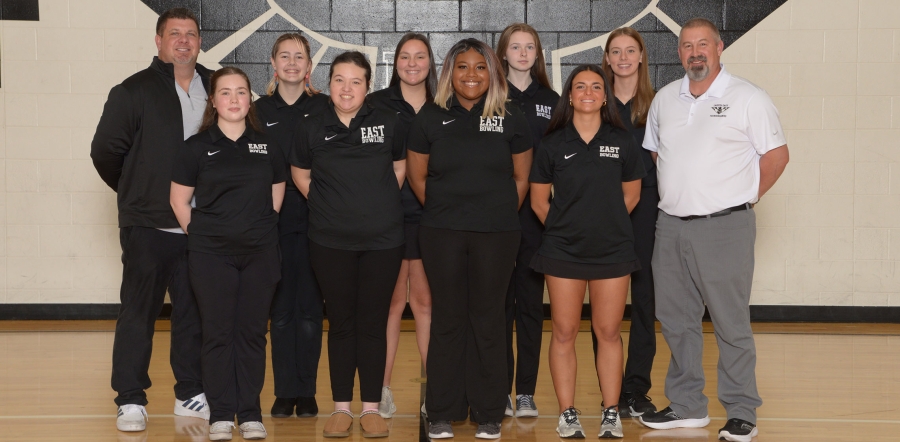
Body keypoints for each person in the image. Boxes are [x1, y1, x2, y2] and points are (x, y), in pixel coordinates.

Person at [638, 18, 789, 442]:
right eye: (687, 46)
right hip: (670, 229)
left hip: (725, 227)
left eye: (703, 44)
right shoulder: (665, 100)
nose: (695, 52)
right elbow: (656, 157)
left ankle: (742, 410)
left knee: (729, 322)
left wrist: (742, 196)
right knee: (676, 320)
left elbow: (777, 156)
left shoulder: (748, 98)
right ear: (680, 52)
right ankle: (687, 406)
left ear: (720, 48)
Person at [406, 38, 533, 440]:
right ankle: (443, 410)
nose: (472, 75)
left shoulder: (511, 116)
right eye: (463, 67)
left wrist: (490, 215)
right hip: (442, 232)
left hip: (497, 234)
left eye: (481, 67)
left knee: (489, 318)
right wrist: (450, 213)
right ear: (449, 72)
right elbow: (417, 177)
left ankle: (489, 410)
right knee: (448, 317)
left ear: (493, 72)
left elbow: (521, 178)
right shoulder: (429, 117)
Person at [90, 7, 209, 432]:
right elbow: (105, 152)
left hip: (200, 227)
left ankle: (190, 392)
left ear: (199, 42)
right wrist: (136, 190)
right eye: (174, 33)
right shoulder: (132, 90)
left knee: (193, 313)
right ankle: (130, 398)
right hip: (148, 225)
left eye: (191, 34)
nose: (183, 41)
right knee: (138, 312)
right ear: (158, 42)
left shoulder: (214, 87)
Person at [290, 51, 406, 439]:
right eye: (340, 79)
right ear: (328, 82)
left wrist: (374, 207)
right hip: (329, 241)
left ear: (368, 86)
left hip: (383, 241)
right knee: (340, 324)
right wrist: (329, 206)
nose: (347, 88)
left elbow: (399, 169)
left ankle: (370, 407)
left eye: (356, 81)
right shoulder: (310, 124)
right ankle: (341, 408)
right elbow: (301, 174)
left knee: (372, 324)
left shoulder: (389, 121)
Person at [530, 64, 645, 439]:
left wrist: (602, 223)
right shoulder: (552, 143)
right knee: (563, 331)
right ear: (570, 95)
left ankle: (610, 412)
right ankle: (568, 413)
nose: (589, 92)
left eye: (597, 86)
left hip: (612, 250)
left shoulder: (623, 140)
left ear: (605, 95)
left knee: (608, 331)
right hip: (563, 250)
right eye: (580, 86)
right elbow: (538, 201)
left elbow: (632, 194)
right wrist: (570, 227)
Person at [170, 67, 284, 441]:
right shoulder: (196, 147)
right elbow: (179, 200)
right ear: (213, 100)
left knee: (251, 334)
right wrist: (205, 236)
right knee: (217, 334)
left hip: (260, 255)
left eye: (241, 92)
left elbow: (276, 195)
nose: (234, 99)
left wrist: (254, 229)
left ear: (249, 98)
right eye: (225, 92)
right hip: (211, 257)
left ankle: (250, 412)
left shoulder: (267, 144)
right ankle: (221, 413)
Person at [255, 32, 329, 419]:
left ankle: (308, 391)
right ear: (273, 63)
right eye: (284, 56)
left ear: (309, 66)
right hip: (272, 227)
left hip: (318, 224)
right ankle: (285, 392)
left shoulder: (326, 109)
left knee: (310, 312)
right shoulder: (256, 111)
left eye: (299, 56)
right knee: (281, 311)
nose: (292, 63)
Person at [367, 33, 438, 419]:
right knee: (391, 304)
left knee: (426, 303)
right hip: (387, 217)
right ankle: (381, 391)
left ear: (431, 62)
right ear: (394, 64)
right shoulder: (376, 104)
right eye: (405, 57)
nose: (413, 64)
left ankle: (432, 394)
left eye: (420, 57)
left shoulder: (445, 104)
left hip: (432, 215)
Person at [592, 26, 659, 418]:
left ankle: (636, 389)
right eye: (615, 51)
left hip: (646, 208)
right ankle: (610, 393)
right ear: (607, 59)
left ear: (641, 56)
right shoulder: (595, 101)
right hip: (601, 211)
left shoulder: (658, 103)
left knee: (644, 300)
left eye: (629, 50)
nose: (622, 58)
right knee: (604, 308)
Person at [495, 23, 560, 419]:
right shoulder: (490, 98)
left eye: (529, 47)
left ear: (537, 54)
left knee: (531, 307)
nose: (522, 53)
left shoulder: (553, 101)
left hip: (537, 217)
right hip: (497, 217)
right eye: (515, 47)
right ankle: (499, 388)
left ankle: (526, 393)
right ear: (503, 53)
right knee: (498, 306)